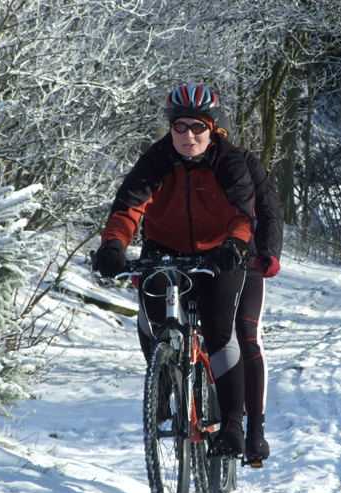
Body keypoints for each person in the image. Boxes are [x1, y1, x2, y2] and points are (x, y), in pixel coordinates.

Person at [93, 84, 256, 458]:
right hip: (164, 251)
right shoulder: (157, 159)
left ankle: (232, 425)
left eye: (197, 127)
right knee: (151, 320)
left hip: (219, 255)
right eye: (179, 127)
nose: (188, 136)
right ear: (170, 128)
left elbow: (242, 213)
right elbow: (128, 208)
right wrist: (113, 245)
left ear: (212, 128)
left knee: (218, 331)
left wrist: (234, 245)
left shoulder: (227, 161)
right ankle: (163, 384)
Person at [215, 114, 283, 464]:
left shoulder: (245, 163)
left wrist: (268, 253)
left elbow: (270, 210)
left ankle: (255, 430)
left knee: (245, 334)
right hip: (203, 261)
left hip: (247, 259)